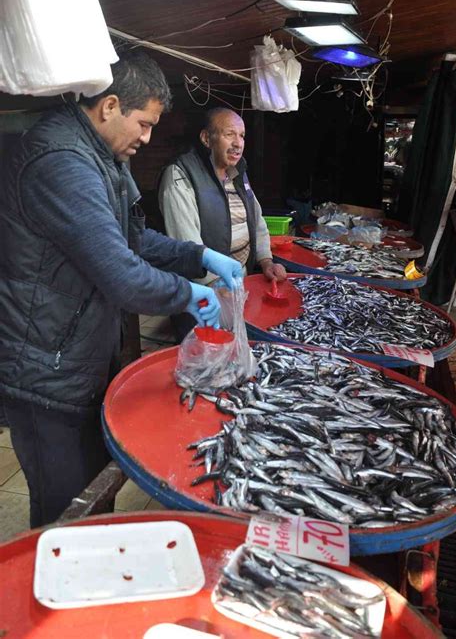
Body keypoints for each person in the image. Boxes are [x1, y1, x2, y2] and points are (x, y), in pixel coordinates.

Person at [0, 51, 243, 527]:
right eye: (145, 123)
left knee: (91, 501)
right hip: (45, 370)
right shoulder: (62, 163)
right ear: (110, 106)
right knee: (64, 513)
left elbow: (134, 240)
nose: (148, 138)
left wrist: (197, 257)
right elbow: (122, 274)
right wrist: (189, 294)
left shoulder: (102, 155)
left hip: (78, 356)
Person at [158, 107, 286, 339]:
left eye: (242, 135)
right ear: (207, 138)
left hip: (238, 286)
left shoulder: (237, 174)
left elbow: (256, 222)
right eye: (230, 134)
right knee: (207, 356)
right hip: (204, 294)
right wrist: (216, 283)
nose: (238, 143)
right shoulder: (180, 176)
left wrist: (265, 261)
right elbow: (186, 245)